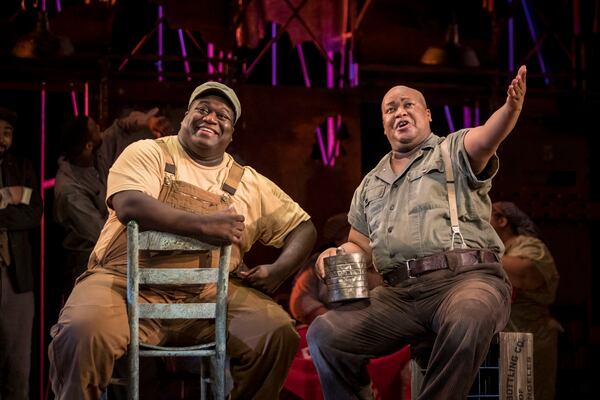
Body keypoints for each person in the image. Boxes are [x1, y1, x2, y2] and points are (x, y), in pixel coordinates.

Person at [47, 81, 316, 400]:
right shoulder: (149, 152)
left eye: (223, 115)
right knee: (80, 331)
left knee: (277, 334)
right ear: (186, 116)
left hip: (210, 298)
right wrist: (206, 225)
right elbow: (129, 204)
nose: (211, 117)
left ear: (231, 133)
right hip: (125, 287)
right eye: (202, 109)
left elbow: (304, 228)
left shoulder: (247, 182)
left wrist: (278, 270)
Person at [307, 65, 528, 400]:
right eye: (390, 108)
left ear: (426, 115)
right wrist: (335, 256)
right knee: (326, 334)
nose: (400, 112)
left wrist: (510, 110)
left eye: (408, 104)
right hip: (400, 295)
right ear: (383, 125)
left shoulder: (451, 150)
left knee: (468, 315)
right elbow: (358, 244)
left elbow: (486, 136)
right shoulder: (370, 184)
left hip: (465, 279)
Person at [54, 109, 172, 292]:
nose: (100, 129)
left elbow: (120, 127)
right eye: (94, 129)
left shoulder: (97, 151)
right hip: (88, 262)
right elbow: (100, 233)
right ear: (87, 146)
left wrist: (148, 122)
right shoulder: (69, 190)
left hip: (116, 253)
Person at [490, 201, 560, 400]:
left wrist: (476, 255)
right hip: (496, 342)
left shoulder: (528, 245)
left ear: (502, 220)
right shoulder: (488, 250)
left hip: (526, 338)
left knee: (523, 394)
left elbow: (525, 274)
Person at [0, 106, 43, 399]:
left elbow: (33, 214)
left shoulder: (22, 166)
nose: (3, 138)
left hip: (16, 274)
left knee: (17, 359)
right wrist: (7, 197)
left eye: (7, 132)